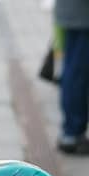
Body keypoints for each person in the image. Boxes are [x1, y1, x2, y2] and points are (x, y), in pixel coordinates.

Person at [55, 0, 89, 153]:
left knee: (74, 73)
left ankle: (71, 131)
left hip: (74, 13)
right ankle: (72, 133)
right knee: (77, 75)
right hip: (82, 15)